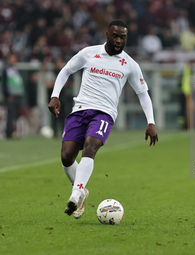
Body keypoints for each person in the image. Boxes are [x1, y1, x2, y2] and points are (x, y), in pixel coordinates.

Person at [48, 20, 158, 219]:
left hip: (104, 113)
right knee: (66, 157)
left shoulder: (130, 65)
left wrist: (151, 122)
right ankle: (82, 192)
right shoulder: (89, 53)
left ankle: (76, 194)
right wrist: (55, 95)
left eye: (122, 37)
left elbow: (143, 93)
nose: (118, 40)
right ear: (107, 34)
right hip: (80, 109)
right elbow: (66, 70)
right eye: (115, 36)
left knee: (90, 146)